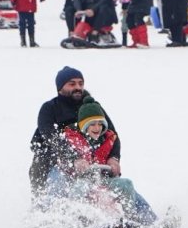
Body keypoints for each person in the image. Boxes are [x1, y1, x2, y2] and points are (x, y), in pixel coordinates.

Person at [48, 96, 156, 225]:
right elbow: (63, 152)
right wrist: (76, 160)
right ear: (83, 126)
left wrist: (114, 161)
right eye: (92, 124)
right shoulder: (70, 138)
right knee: (80, 187)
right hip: (75, 180)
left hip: (101, 179)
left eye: (100, 124)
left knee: (126, 184)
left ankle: (136, 220)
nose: (97, 127)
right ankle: (78, 221)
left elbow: (114, 153)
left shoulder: (109, 138)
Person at [29, 67, 121, 196]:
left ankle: (146, 216)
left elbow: (111, 135)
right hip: (54, 162)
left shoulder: (92, 107)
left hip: (92, 161)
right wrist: (73, 158)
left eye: (80, 83)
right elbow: (50, 136)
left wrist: (114, 158)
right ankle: (46, 212)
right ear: (60, 87)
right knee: (56, 185)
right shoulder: (49, 108)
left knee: (124, 187)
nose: (78, 87)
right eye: (72, 84)